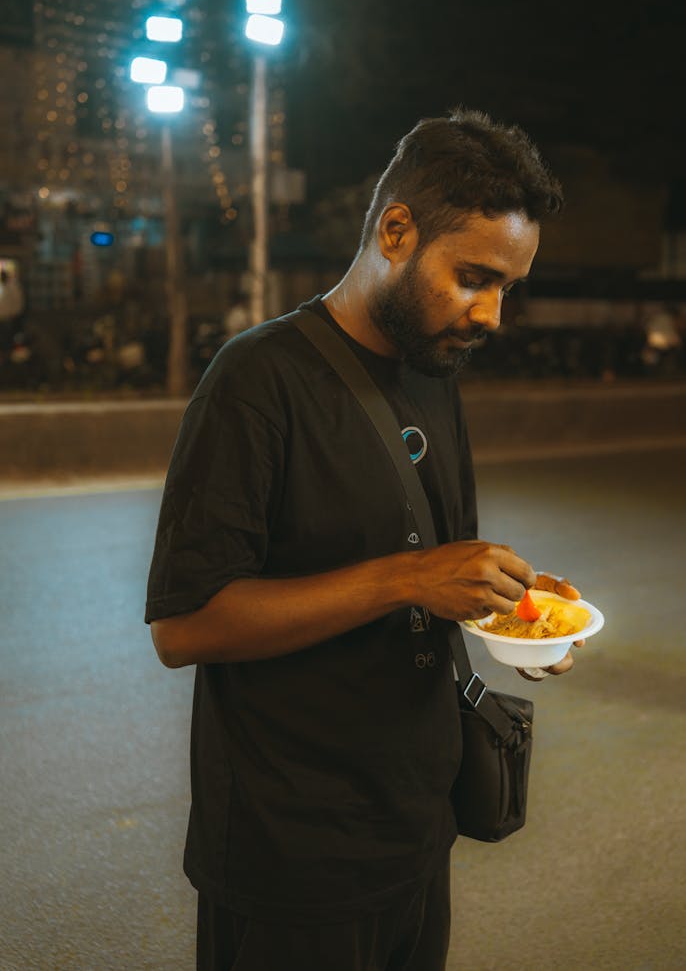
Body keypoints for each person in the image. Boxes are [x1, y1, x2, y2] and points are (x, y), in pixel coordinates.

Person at [146, 108, 579, 971]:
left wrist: (517, 611)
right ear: (395, 230)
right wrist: (408, 577)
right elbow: (184, 625)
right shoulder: (257, 380)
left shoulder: (431, 369)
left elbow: (437, 563)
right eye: (474, 277)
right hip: (291, 860)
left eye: (509, 287)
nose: (492, 313)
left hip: (417, 830)